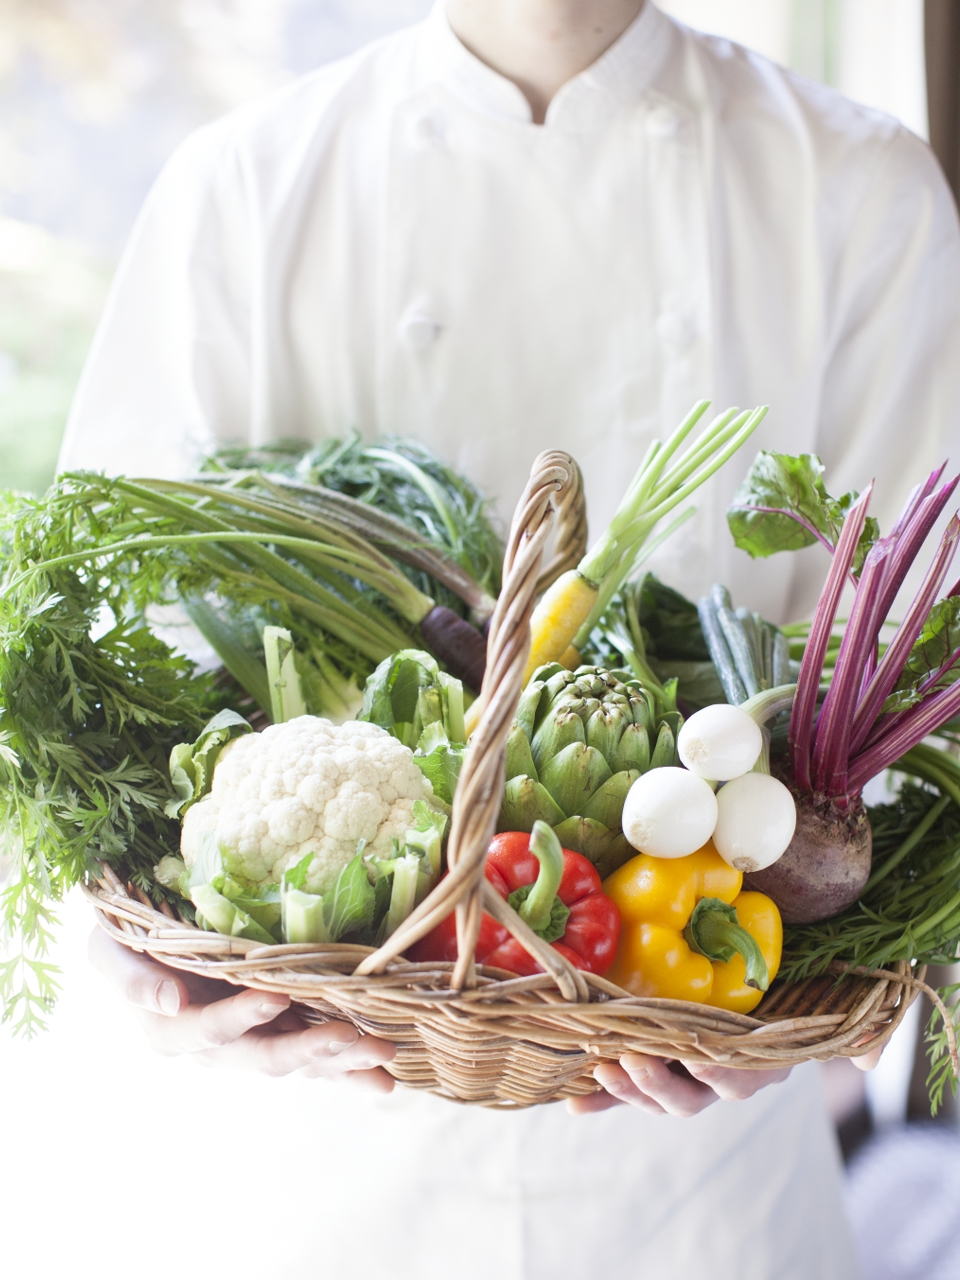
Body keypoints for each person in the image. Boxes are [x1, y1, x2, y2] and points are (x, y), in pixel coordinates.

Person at [63, 2, 960, 1276]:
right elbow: (99, 701)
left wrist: (805, 1023)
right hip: (322, 1175)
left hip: (705, 1200)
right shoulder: (243, 189)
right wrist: (132, 964)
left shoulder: (858, 191)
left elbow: (917, 695)